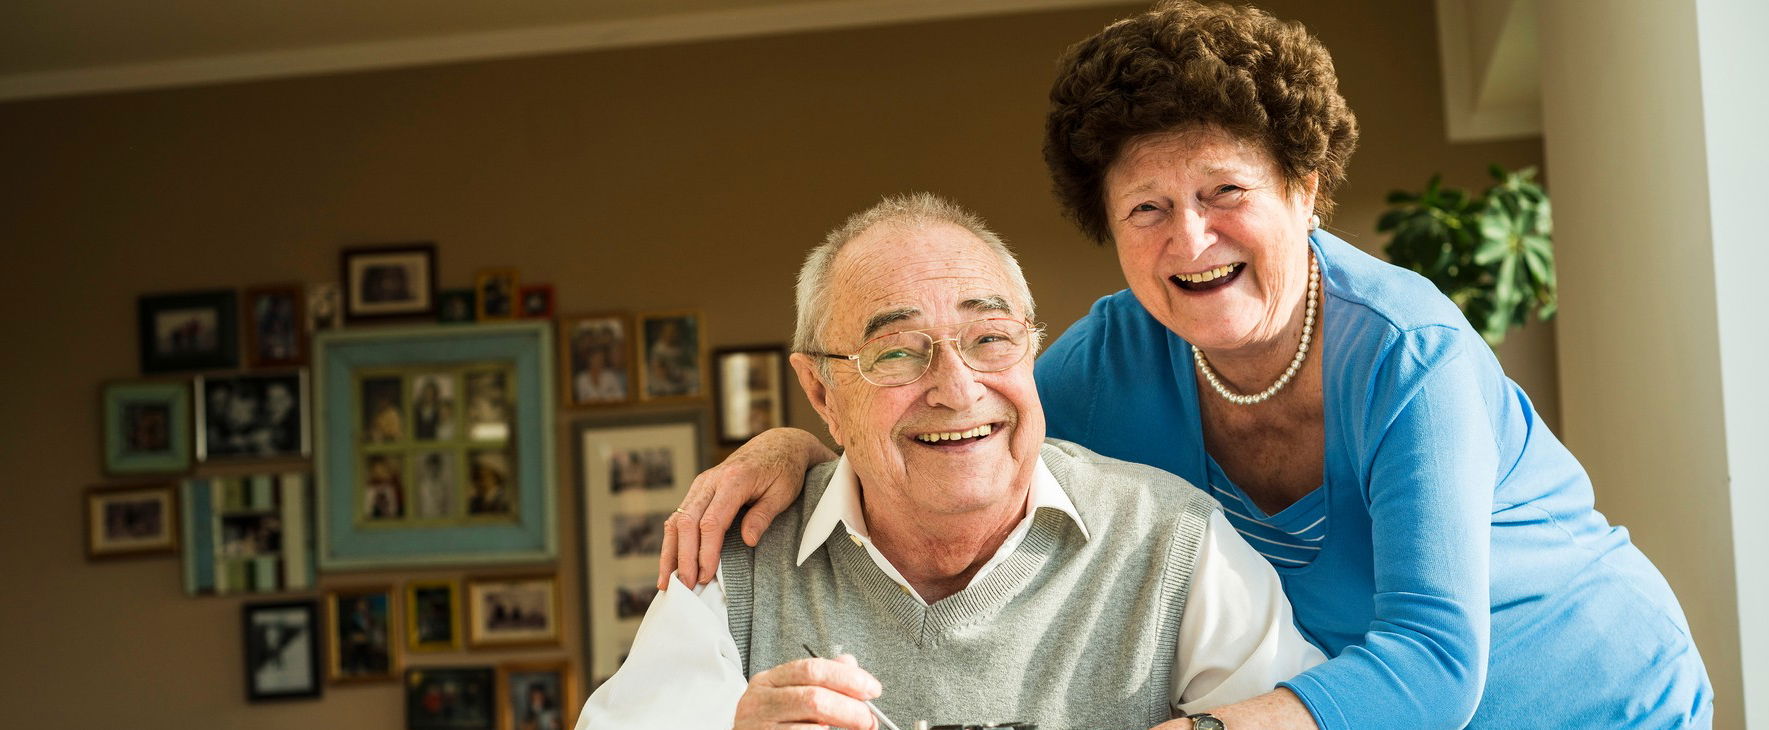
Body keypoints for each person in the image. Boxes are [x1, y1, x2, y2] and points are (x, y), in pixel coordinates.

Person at [662, 4, 1712, 729]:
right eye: (1146, 210)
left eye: (1224, 194)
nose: (1190, 241)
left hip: (1595, 694)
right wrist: (803, 442)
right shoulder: (1113, 363)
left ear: (1304, 188)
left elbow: (1435, 665)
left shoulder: (1404, 354)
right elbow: (964, 421)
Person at [582, 193, 1323, 729]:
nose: (955, 388)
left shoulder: (1170, 539)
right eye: (896, 351)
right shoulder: (737, 551)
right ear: (820, 390)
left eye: (989, 338)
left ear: (1030, 348)